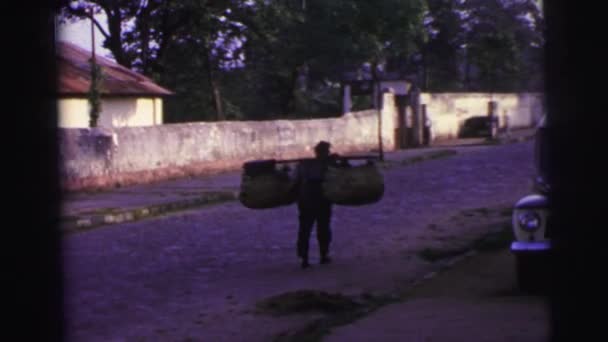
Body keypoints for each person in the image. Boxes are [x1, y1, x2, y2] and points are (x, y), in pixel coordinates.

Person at [293, 141, 338, 269]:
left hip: (306, 199)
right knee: (323, 227)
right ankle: (323, 255)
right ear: (326, 152)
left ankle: (304, 258)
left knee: (305, 228)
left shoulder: (304, 164)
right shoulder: (330, 164)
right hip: (322, 199)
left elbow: (295, 180)